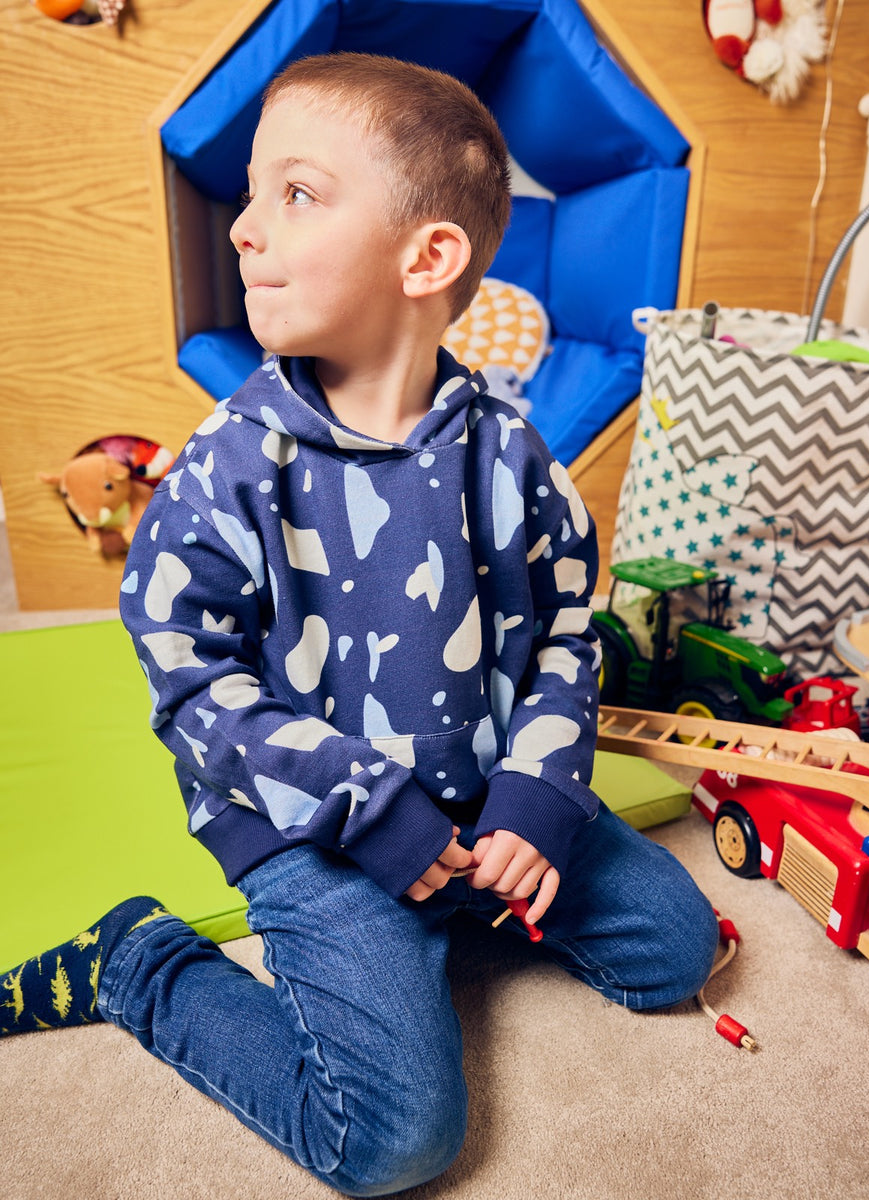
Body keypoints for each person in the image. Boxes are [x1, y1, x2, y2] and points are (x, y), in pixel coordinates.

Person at [0, 53, 718, 1196]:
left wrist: (535, 800)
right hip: (315, 827)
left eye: (295, 193)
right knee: (392, 1142)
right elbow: (192, 683)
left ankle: (451, 907)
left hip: (481, 793)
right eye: (251, 194)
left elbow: (564, 636)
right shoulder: (230, 468)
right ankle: (138, 964)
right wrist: (375, 816)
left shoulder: (514, 455)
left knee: (681, 952)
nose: (243, 228)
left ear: (426, 258)